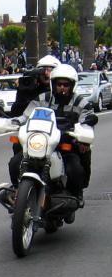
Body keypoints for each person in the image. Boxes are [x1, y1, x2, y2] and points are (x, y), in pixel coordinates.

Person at [6, 64, 93, 203]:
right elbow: (26, 115)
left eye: (66, 84)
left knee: (76, 169)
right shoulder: (42, 98)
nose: (62, 87)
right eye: (59, 84)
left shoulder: (81, 102)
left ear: (72, 85)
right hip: (42, 142)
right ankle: (17, 189)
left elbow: (87, 121)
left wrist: (85, 137)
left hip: (66, 143)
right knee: (15, 162)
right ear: (54, 84)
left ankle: (75, 194)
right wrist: (13, 122)